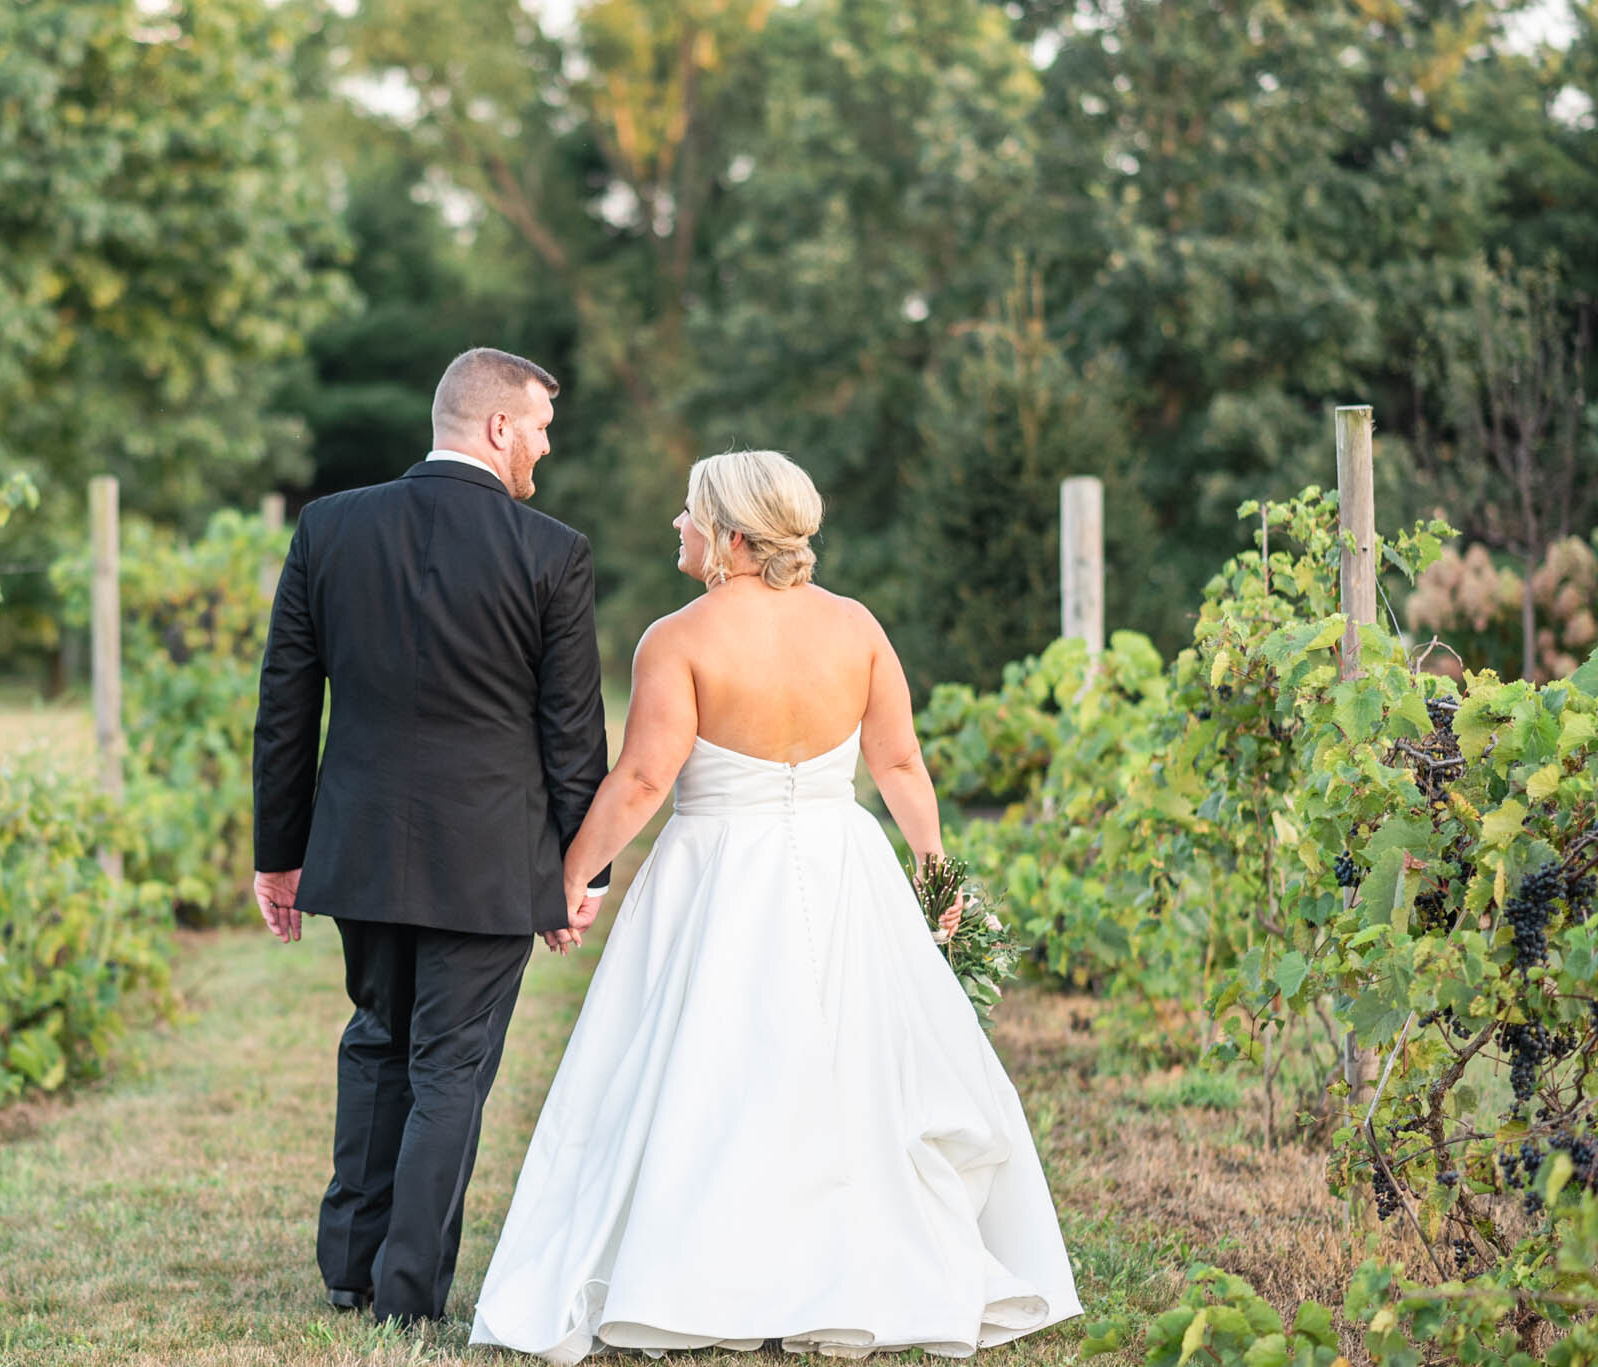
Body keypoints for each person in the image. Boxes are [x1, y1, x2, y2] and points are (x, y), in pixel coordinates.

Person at [469, 449, 1082, 1361]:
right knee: (845, 1067)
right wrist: (935, 873)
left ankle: (704, 1271)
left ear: (732, 535)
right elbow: (901, 764)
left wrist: (572, 875)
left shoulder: (676, 639)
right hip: (846, 866)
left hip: (716, 874)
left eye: (689, 512)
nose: (677, 525)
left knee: (714, 1065)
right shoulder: (857, 628)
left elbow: (641, 779)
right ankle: (845, 1267)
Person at [250, 347, 612, 1326]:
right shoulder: (551, 552)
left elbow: (286, 704)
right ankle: (406, 1294)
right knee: (447, 1066)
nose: (543, 442)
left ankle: (348, 1267)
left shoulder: (329, 527)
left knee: (375, 1039)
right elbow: (571, 731)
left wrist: (276, 852)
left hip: (360, 845)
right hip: (490, 858)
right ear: (496, 427)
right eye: (537, 423)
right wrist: (583, 870)